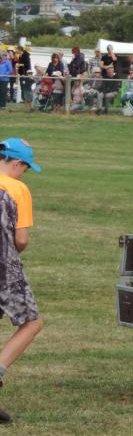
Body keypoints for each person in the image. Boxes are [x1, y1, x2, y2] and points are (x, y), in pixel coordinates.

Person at [0, 139, 44, 424]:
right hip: (5, 269)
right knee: (32, 323)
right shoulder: (17, 189)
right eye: (25, 170)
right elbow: (21, 239)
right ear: (17, 163)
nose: (23, 175)